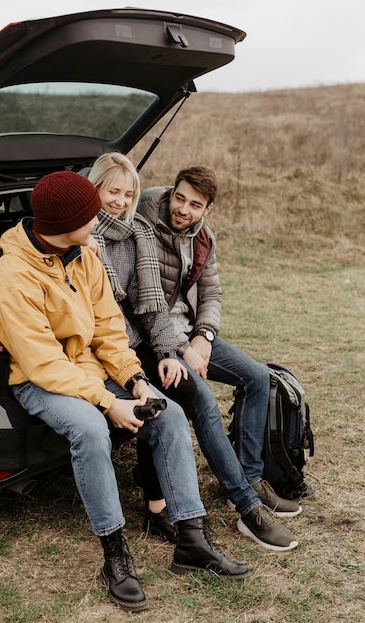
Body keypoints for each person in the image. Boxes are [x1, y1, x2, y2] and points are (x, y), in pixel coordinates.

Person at [0, 170, 249, 614]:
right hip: (41, 381)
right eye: (90, 214)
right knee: (90, 429)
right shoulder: (12, 277)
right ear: (65, 223)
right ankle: (115, 554)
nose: (100, 218)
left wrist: (135, 381)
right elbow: (44, 364)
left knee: (170, 415)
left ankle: (193, 540)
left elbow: (108, 331)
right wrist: (108, 403)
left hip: (91, 369)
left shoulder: (84, 256)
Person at [85, 154, 300, 553]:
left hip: (177, 334)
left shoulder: (190, 236)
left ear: (208, 209)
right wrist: (176, 349)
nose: (183, 209)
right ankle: (247, 507)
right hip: (145, 342)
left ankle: (250, 480)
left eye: (195, 204)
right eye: (179, 198)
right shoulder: (137, 222)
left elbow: (208, 293)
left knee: (256, 376)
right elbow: (136, 311)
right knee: (198, 401)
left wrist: (202, 336)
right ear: (169, 192)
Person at [80, 153, 197, 544]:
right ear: (94, 187)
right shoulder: (80, 238)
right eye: (113, 191)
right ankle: (157, 505)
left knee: (185, 387)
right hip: (100, 347)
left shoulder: (137, 233)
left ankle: (168, 503)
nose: (121, 201)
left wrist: (167, 352)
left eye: (129, 193)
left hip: (130, 343)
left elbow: (152, 309)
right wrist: (83, 244)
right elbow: (96, 321)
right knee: (159, 406)